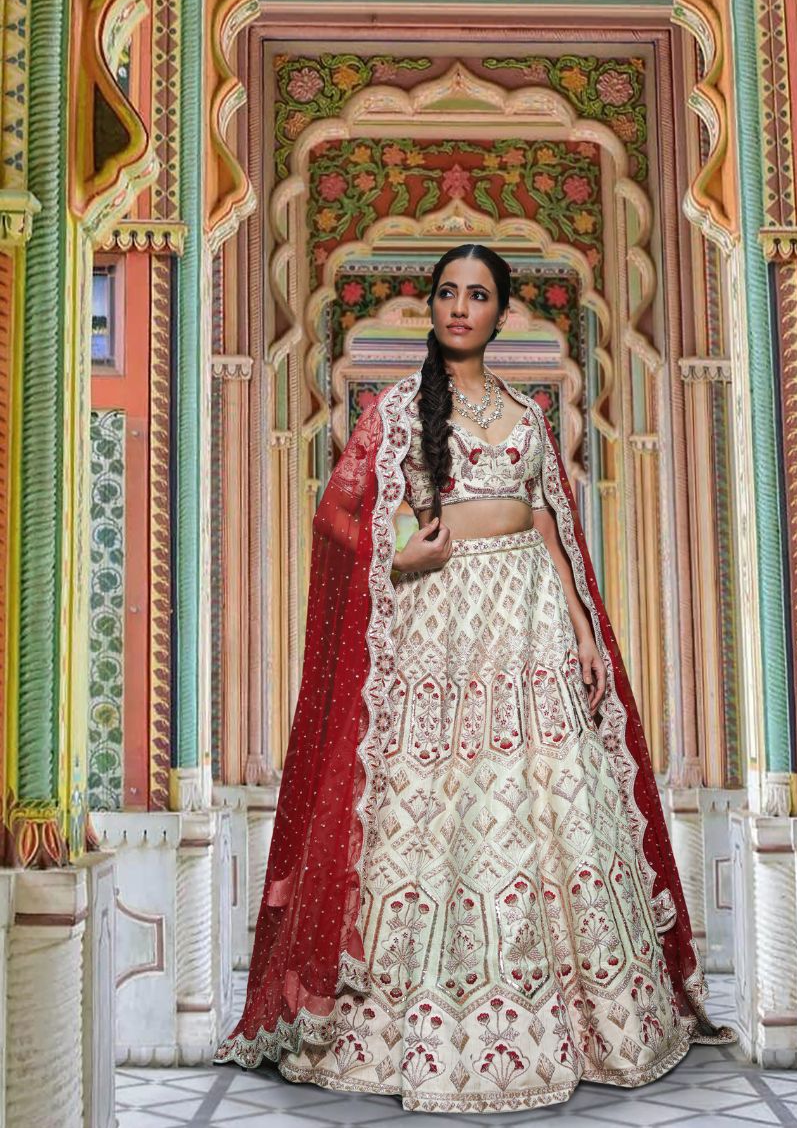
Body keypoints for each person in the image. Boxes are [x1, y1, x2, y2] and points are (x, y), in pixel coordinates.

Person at [215, 241, 733, 1111]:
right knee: (430, 805)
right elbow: (335, 514)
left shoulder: (529, 414)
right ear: (433, 306)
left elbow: (547, 524)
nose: (461, 307)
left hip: (527, 619)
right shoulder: (393, 409)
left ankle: (581, 1018)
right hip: (437, 621)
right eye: (449, 293)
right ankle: (412, 1025)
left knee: (550, 797)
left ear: (501, 311)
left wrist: (581, 627)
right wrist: (399, 553)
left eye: (479, 295)